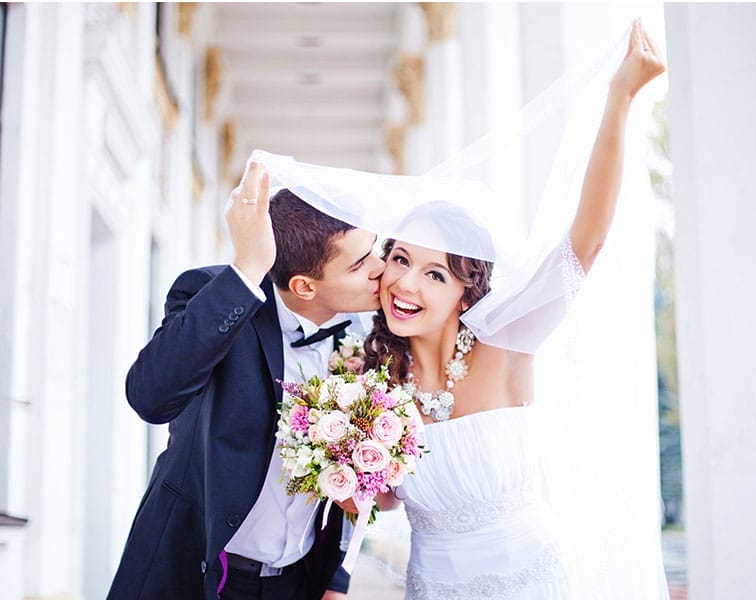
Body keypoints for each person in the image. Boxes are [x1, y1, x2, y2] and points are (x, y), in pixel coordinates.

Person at [356, 20, 668, 599]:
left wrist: (619, 99)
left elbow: (586, 242)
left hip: (532, 582)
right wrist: (344, 468)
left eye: (435, 273)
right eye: (399, 259)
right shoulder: (371, 384)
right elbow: (380, 499)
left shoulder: (505, 342)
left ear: (464, 291)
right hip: (434, 585)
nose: (405, 283)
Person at [108, 161, 384, 600]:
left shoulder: (367, 339)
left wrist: (337, 578)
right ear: (305, 286)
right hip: (195, 571)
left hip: (299, 583)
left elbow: (362, 474)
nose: (381, 269)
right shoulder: (216, 294)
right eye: (360, 264)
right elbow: (150, 398)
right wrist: (246, 270)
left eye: (376, 250)